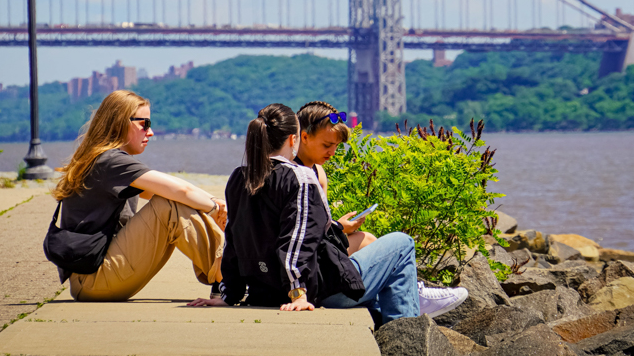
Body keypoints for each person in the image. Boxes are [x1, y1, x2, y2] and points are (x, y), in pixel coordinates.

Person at [187, 103, 468, 323]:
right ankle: (405, 328)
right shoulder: (299, 177)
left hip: (265, 291)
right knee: (402, 243)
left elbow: (235, 239)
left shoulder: (240, 176)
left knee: (377, 260)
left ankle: (402, 313)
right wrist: (298, 293)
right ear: (295, 138)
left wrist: (229, 295)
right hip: (320, 291)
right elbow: (297, 240)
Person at [48, 89, 226, 302]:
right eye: (145, 124)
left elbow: (172, 192)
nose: (150, 132)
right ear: (121, 123)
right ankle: (229, 279)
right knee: (168, 206)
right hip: (95, 279)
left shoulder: (102, 159)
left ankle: (226, 276)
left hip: (92, 279)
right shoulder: (110, 161)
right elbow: (181, 192)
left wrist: (214, 202)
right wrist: (215, 209)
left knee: (172, 201)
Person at [295, 100, 376, 255]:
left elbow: (319, 221)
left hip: (313, 248)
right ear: (304, 137)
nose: (332, 153)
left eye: (336, 146)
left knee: (365, 238)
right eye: (326, 145)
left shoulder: (318, 172)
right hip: (305, 256)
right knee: (371, 241)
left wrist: (336, 226)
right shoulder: (290, 174)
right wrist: (339, 227)